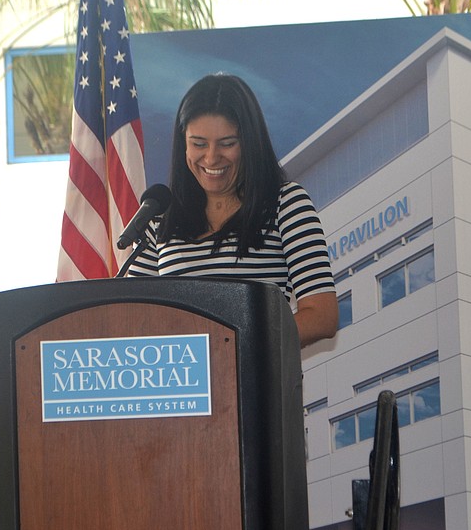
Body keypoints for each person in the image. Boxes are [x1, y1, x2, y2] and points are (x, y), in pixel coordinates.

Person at [128, 73, 338, 348]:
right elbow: (132, 322)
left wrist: (232, 346)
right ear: (183, 143)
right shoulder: (160, 219)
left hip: (259, 387)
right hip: (182, 387)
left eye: (227, 143)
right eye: (199, 143)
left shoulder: (286, 203)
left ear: (250, 142)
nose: (212, 157)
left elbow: (323, 317)